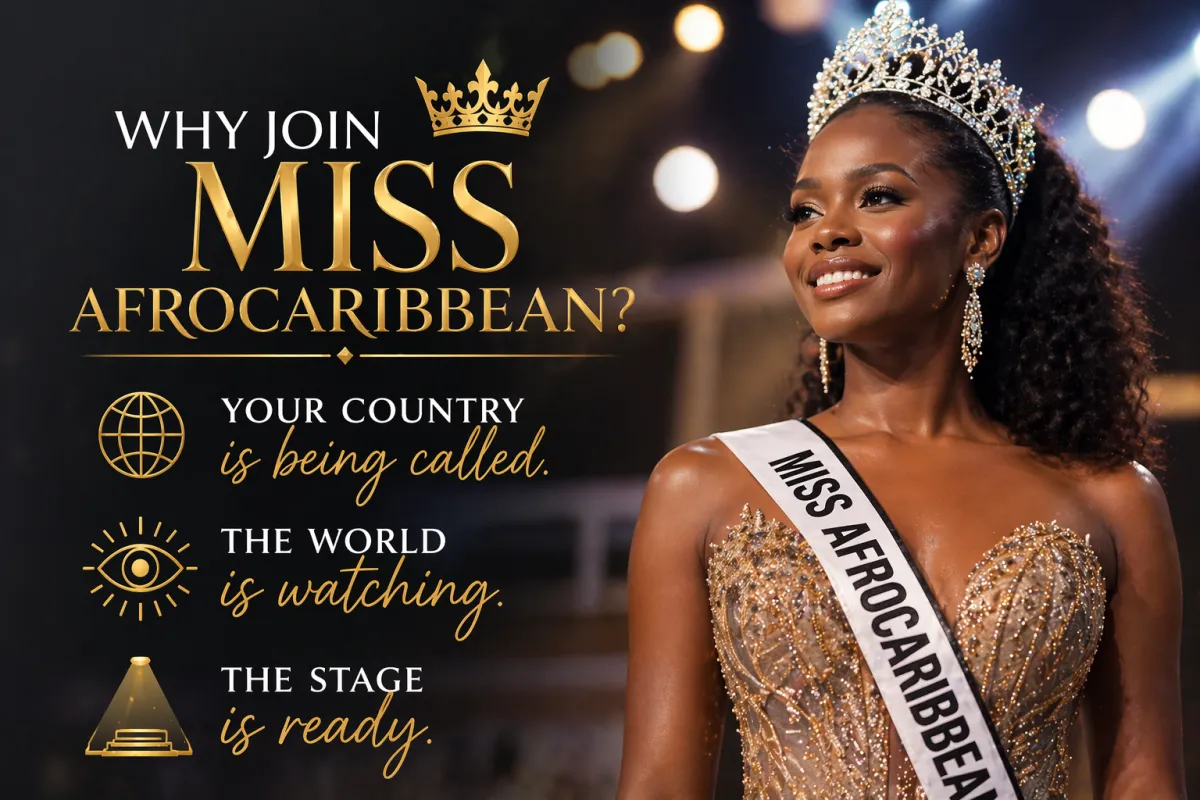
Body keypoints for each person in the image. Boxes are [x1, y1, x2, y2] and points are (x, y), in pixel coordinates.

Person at [616, 3, 1185, 798]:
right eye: (804, 211)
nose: (827, 232)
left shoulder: (1112, 499)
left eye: (877, 197)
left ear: (981, 237)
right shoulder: (703, 486)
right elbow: (657, 785)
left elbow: (1145, 778)